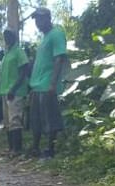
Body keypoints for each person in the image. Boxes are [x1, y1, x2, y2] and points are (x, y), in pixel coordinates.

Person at [28, 8, 67, 159]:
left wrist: (52, 83)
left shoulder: (56, 34)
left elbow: (59, 59)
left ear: (48, 18)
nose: (38, 23)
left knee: (50, 119)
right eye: (36, 20)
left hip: (47, 84)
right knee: (36, 119)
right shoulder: (44, 38)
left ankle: (50, 150)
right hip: (37, 86)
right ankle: (35, 148)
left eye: (41, 19)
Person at [0, 28, 29, 155]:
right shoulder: (7, 53)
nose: (6, 39)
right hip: (5, 90)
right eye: (5, 37)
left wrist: (13, 88)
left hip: (15, 91)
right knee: (8, 121)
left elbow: (24, 70)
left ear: (14, 37)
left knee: (15, 119)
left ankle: (17, 148)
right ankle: (11, 148)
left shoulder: (18, 52)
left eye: (8, 36)